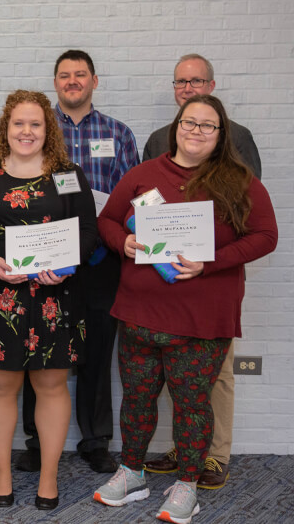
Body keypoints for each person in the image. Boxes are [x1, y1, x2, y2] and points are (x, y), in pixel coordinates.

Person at [94, 94, 277, 524]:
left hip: (202, 316)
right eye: (189, 122)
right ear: (176, 127)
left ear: (221, 134)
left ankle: (187, 485)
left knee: (192, 404)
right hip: (139, 312)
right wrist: (123, 242)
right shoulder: (143, 175)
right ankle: (131, 472)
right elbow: (107, 220)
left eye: (207, 125)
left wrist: (209, 262)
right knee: (137, 399)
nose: (196, 131)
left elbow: (265, 236)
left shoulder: (239, 180)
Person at [0, 90, 97, 510]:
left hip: (56, 298)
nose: (27, 131)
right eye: (19, 123)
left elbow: (88, 230)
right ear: (6, 127)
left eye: (36, 124)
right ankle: (1, 472)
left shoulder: (68, 174)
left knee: (51, 385)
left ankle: (48, 477)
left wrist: (67, 263)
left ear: (46, 129)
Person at [142, 54, 262, 490]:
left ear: (213, 84)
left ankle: (215, 456)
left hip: (212, 279)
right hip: (168, 277)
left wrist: (204, 259)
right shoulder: (158, 138)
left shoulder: (237, 137)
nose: (188, 89)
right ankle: (185, 447)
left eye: (197, 81)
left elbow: (244, 213)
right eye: (181, 83)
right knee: (178, 370)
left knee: (217, 371)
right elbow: (148, 202)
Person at [19, 50, 140, 475]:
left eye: (80, 74)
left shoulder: (118, 133)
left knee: (96, 348)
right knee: (38, 344)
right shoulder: (36, 130)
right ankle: (36, 440)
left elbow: (133, 201)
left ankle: (95, 440)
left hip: (100, 260)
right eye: (64, 75)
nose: (72, 81)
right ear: (55, 82)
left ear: (94, 81)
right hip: (43, 259)